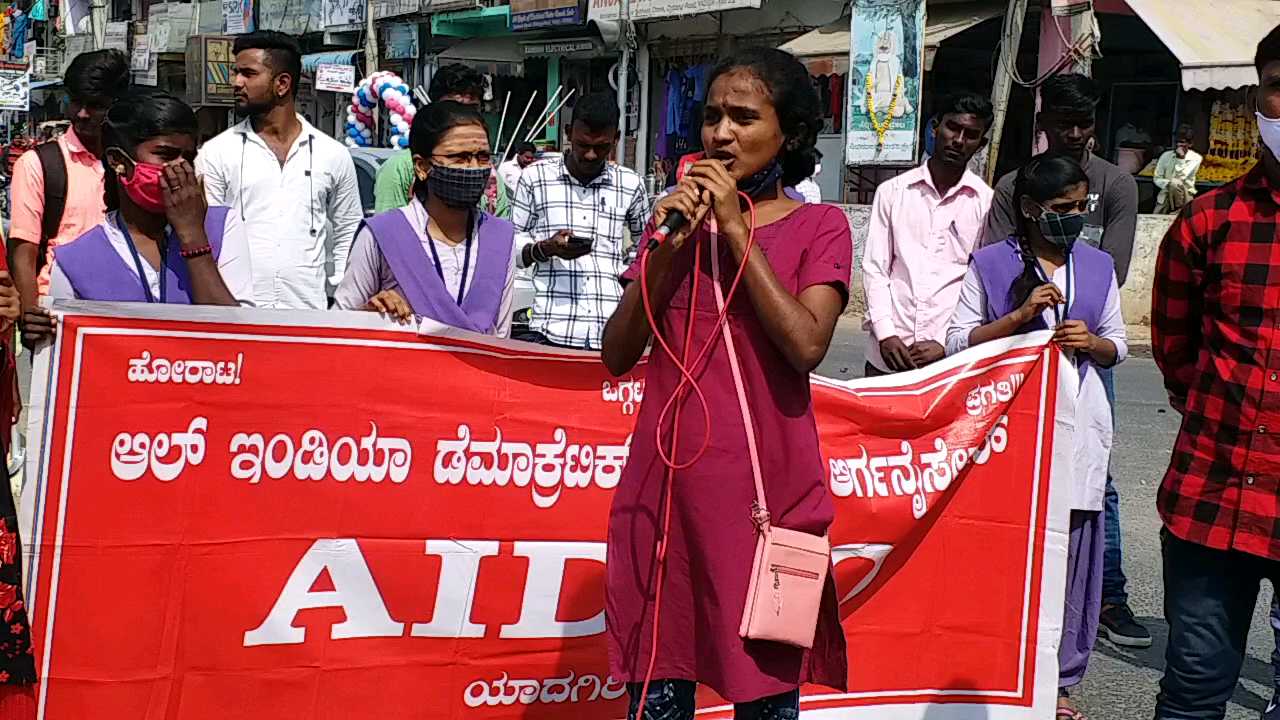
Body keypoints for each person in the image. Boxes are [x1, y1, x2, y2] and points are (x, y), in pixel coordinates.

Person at [601, 47, 849, 719]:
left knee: (766, 700)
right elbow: (617, 352)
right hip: (664, 506)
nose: (721, 134)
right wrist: (669, 246)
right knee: (656, 695)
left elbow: (807, 343)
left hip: (767, 507)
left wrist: (737, 232)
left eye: (744, 117)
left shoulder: (819, 225)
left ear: (790, 134)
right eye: (712, 117)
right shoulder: (675, 227)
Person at [948, 153, 1125, 720]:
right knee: (1006, 553)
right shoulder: (991, 264)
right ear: (1028, 210)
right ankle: (999, 670)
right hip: (1009, 435)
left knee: (1071, 553)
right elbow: (958, 342)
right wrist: (1018, 317)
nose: (1074, 218)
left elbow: (1118, 343)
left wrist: (1092, 344)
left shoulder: (1096, 267)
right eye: (1061, 209)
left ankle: (1059, 680)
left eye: (1081, 207)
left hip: (1077, 432)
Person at [982, 72, 1146, 648]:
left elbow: (1111, 274)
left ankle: (1107, 597)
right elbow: (998, 264)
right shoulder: (1011, 185)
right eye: (1064, 122)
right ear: (1044, 124)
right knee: (1014, 480)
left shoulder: (1118, 184)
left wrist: (1084, 320)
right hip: (1022, 353)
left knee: (1095, 481)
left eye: (1085, 121)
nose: (1076, 132)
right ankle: (1014, 600)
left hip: (1083, 349)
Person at [1152, 23, 1280, 720]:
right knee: (1194, 691)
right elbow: (1176, 357)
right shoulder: (1208, 223)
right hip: (1211, 503)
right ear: (1257, 100)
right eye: (1278, 87)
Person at [194, 30, 361, 310]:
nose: (236, 82)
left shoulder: (332, 154)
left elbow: (348, 233)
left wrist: (342, 310)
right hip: (238, 318)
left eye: (248, 73)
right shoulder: (217, 153)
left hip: (310, 320)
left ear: (282, 83)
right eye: (236, 72)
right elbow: (207, 234)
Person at [46, 91, 251, 306]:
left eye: (188, 158)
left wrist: (194, 238)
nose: (181, 167)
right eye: (166, 155)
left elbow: (236, 332)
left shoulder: (223, 227)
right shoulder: (76, 260)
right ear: (118, 161)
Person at [335, 101, 515, 337]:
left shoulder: (500, 238)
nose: (473, 168)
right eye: (459, 157)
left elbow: (502, 337)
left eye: (482, 157)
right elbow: (340, 325)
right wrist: (369, 314)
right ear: (422, 166)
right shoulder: (383, 235)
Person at [863, 92, 993, 377]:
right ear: (935, 127)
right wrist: (886, 333)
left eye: (970, 135)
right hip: (888, 355)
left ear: (981, 144)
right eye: (952, 128)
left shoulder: (985, 202)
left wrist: (948, 343)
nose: (958, 140)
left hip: (949, 360)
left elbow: (981, 282)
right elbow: (876, 268)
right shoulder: (893, 192)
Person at [9, 48, 129, 347]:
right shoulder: (39, 164)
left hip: (127, 312)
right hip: (59, 318)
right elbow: (23, 251)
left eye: (96, 105)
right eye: (76, 102)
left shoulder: (134, 163)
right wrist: (30, 315)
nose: (82, 114)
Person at [511, 92, 649, 350]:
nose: (590, 155)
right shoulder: (534, 179)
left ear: (616, 139)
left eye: (601, 148)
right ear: (567, 133)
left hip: (610, 331)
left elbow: (647, 248)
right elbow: (510, 246)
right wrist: (546, 248)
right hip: (550, 330)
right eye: (582, 145)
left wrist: (624, 278)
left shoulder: (631, 184)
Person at [373, 63, 511, 219]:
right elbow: (389, 233)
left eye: (472, 109)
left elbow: (501, 233)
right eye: (454, 108)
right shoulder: (401, 168)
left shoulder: (489, 175)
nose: (464, 118)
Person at [1153, 124, 1202, 215]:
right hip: (1166, 194)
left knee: (1175, 183)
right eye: (1177, 142)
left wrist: (1181, 158)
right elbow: (1157, 178)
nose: (1179, 145)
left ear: (1190, 144)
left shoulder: (1196, 158)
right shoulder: (1165, 156)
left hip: (1184, 196)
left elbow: (1181, 177)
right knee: (1156, 219)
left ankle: (1179, 210)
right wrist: (1168, 185)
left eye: (1182, 142)